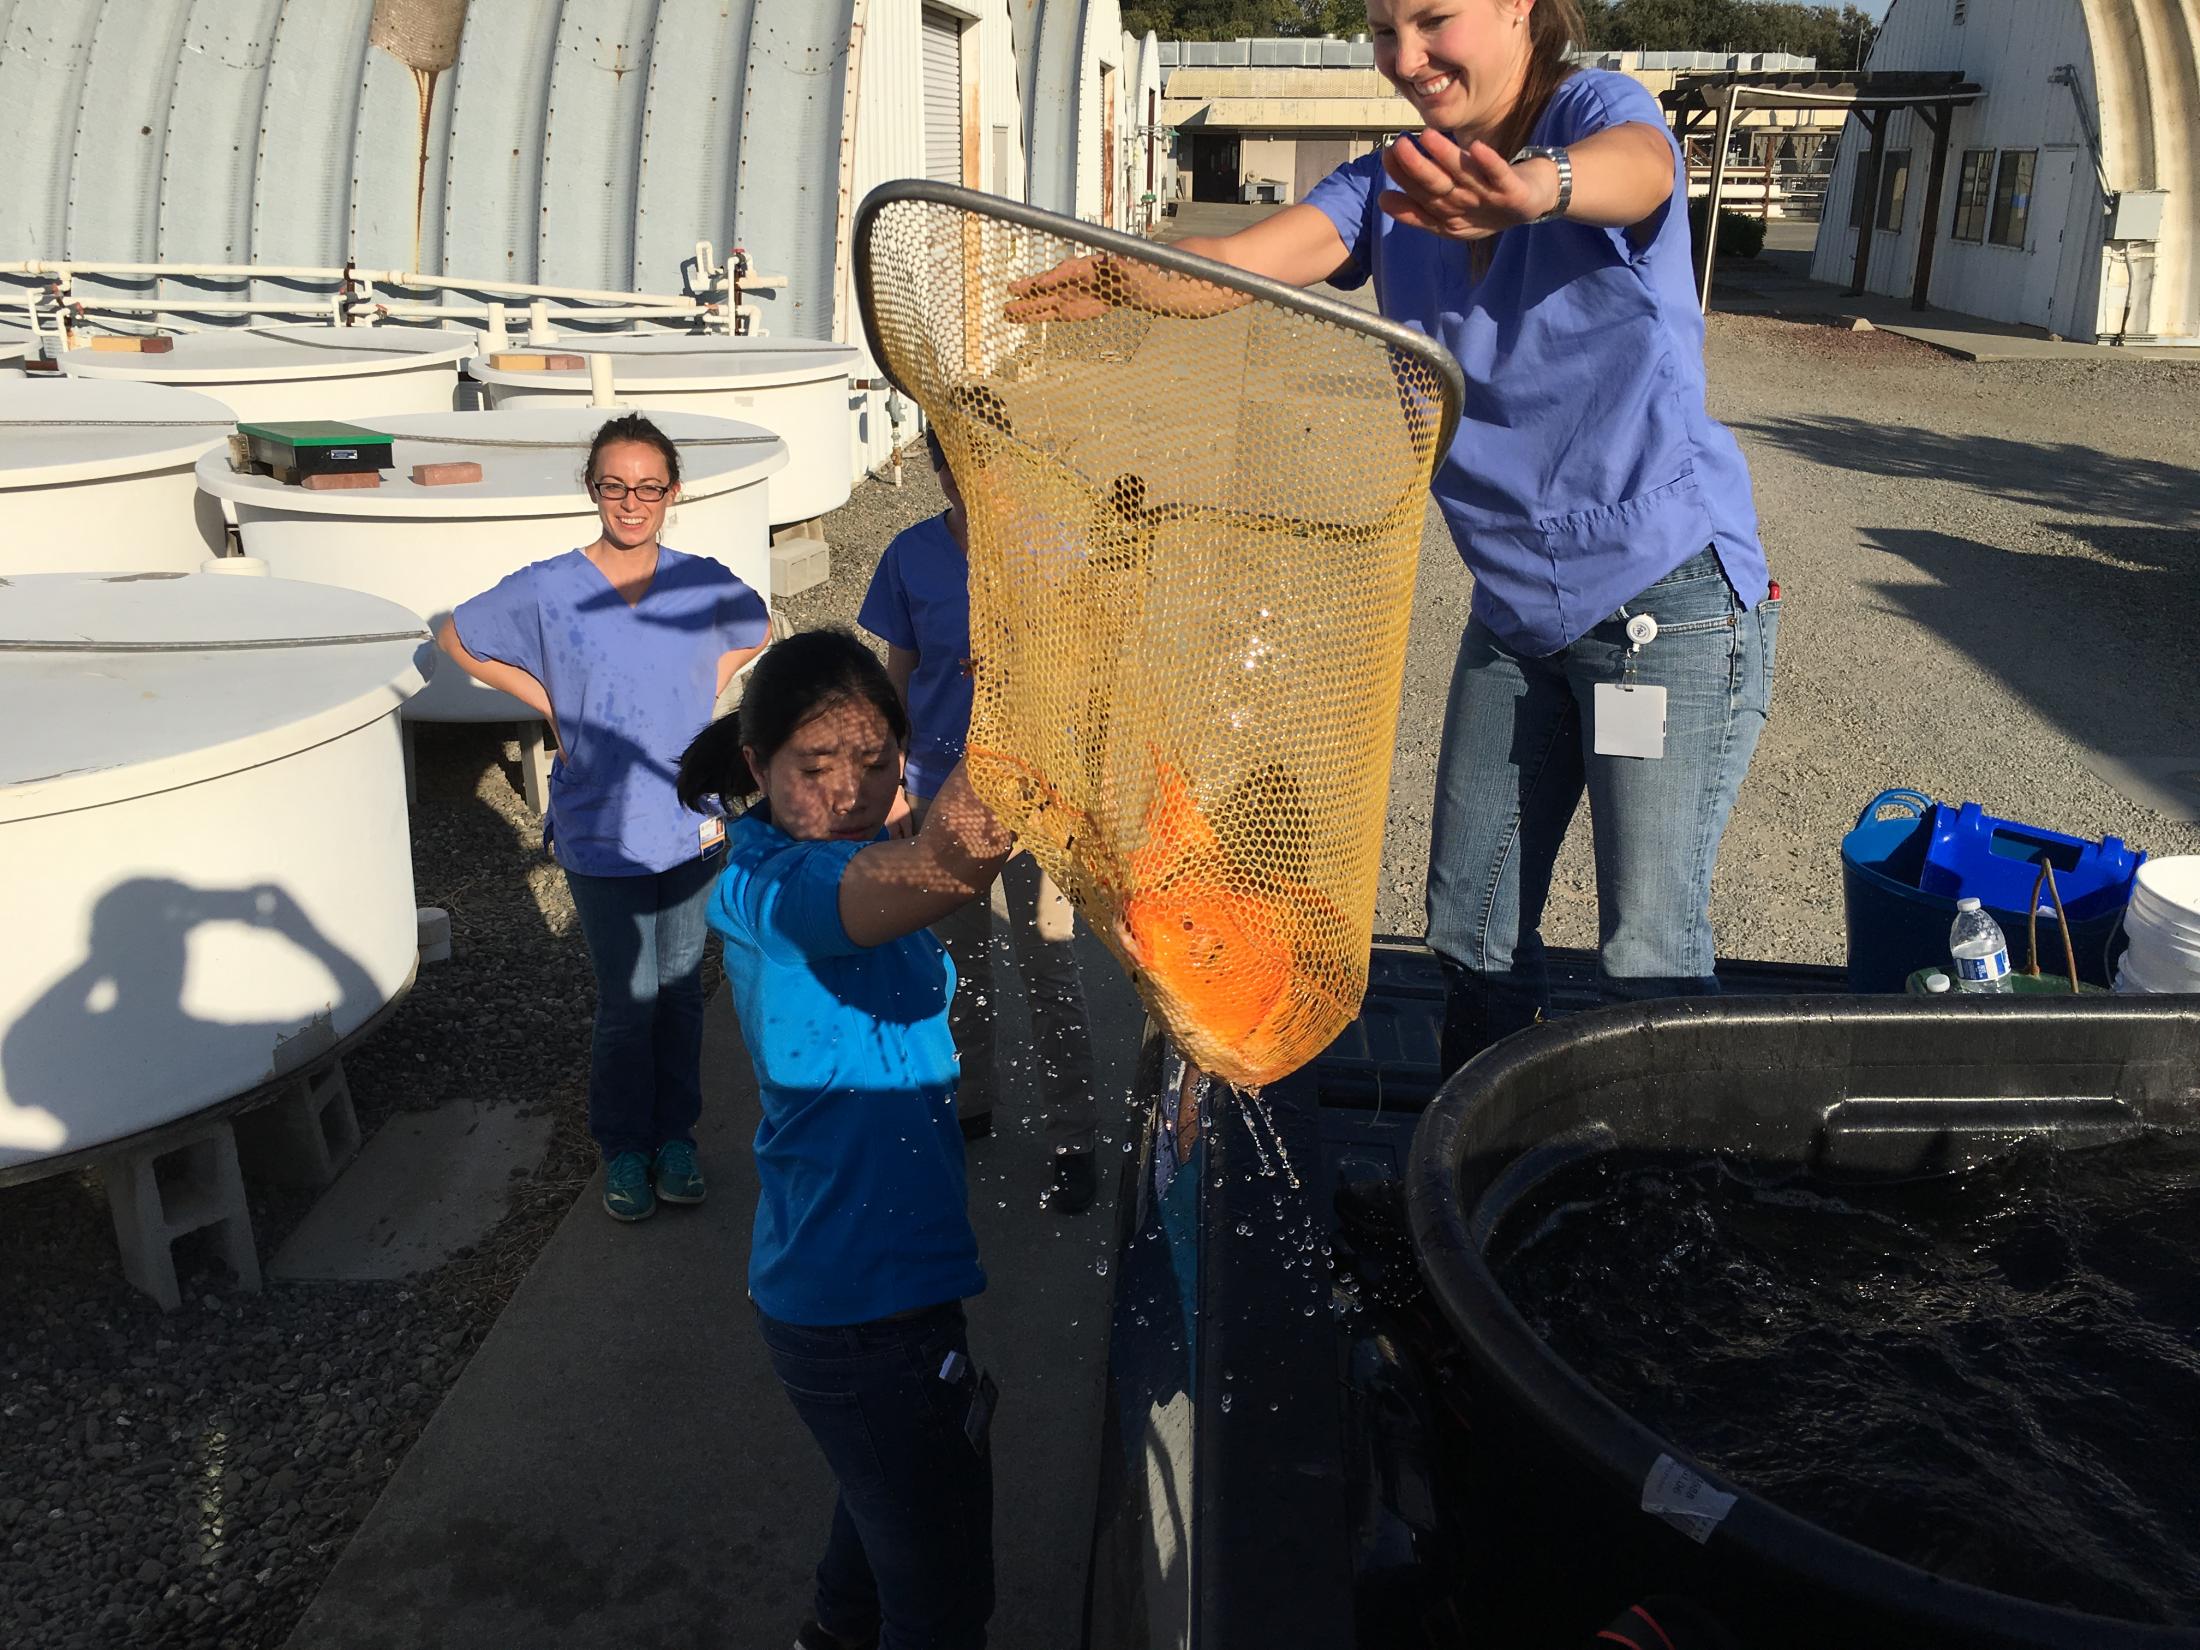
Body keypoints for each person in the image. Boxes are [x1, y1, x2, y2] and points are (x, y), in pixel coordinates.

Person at [1011, 0, 1779, 1074]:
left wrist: (1531, 190)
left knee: (1647, 946)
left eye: (1433, 19)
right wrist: (1117, 273)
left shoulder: (1595, 113)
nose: (1407, 58)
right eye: (1382, 30)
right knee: (1467, 920)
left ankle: (1661, 1188)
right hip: (1515, 614)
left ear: (1517, 6)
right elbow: (1240, 263)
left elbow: (1640, 167)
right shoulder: (1386, 183)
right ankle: (1493, 1141)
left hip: (1666, 604)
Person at [676, 628, 1009, 1650]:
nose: (848, 793)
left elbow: (925, 845)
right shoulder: (765, 889)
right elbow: (952, 866)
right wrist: (1032, 712)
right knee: (944, 1601)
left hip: (884, 1287)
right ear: (756, 767)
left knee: (884, 1509)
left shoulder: (852, 854)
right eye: (814, 769)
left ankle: (831, 1632)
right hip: (859, 1308)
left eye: (874, 764)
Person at [436, 413, 767, 1221]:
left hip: (689, 821)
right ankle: (624, 1146)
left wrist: (702, 685)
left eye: (648, 487)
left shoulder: (700, 581)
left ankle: (675, 1134)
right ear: (593, 490)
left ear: (672, 494)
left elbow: (754, 623)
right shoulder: (550, 587)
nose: (632, 501)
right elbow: (454, 635)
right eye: (614, 486)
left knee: (683, 989)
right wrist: (548, 701)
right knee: (628, 996)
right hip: (599, 827)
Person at [858, 425, 1100, 1214]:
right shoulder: (910, 556)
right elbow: (895, 678)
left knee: (1050, 964)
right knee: (954, 968)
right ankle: (969, 1105)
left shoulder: (1058, 549)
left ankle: (1075, 1138)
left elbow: (1092, 671)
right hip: (937, 789)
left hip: (1038, 793)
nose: (967, 476)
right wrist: (890, 784)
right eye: (949, 461)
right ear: (934, 466)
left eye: (982, 460)